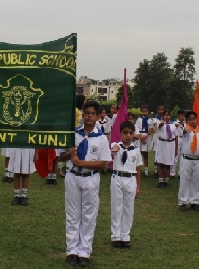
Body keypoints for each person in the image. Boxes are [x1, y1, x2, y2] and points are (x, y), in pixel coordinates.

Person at [61, 100, 111, 267]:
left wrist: (80, 162)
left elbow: (102, 163)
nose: (89, 116)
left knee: (88, 215)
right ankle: (72, 250)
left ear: (97, 116)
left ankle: (84, 251)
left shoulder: (101, 138)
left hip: (91, 177)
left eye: (93, 113)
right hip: (73, 176)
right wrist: (70, 153)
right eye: (87, 113)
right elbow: (60, 157)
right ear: (82, 114)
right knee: (72, 213)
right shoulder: (73, 134)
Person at [109, 120, 142, 248]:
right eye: (125, 133)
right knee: (117, 207)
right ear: (120, 134)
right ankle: (116, 235)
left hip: (130, 179)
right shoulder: (116, 145)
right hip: (117, 177)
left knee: (129, 208)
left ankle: (125, 235)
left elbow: (138, 169)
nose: (128, 135)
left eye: (130, 133)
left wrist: (138, 186)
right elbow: (113, 149)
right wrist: (115, 148)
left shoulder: (136, 150)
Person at [177, 111, 199, 211]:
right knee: (184, 180)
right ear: (187, 120)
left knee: (196, 182)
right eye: (190, 119)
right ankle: (183, 202)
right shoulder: (185, 130)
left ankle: (195, 201)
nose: (192, 121)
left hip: (198, 160)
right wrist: (185, 129)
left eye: (194, 118)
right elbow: (183, 131)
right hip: (187, 159)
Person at [155, 110, 177, 188]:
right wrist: (162, 123)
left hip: (170, 144)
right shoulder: (159, 123)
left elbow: (176, 136)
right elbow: (158, 127)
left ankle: (166, 181)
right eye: (165, 115)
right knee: (161, 163)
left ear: (170, 116)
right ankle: (161, 181)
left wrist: (176, 149)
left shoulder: (173, 125)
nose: (166, 116)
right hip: (162, 144)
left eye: (168, 115)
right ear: (162, 116)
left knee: (168, 164)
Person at [134, 106, 154, 177]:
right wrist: (141, 137)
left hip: (147, 136)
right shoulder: (139, 119)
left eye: (146, 111)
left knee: (145, 154)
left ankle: (146, 170)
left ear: (148, 112)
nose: (144, 113)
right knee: (138, 153)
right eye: (143, 111)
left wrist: (146, 136)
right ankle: (137, 168)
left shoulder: (150, 120)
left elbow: (151, 129)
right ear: (141, 112)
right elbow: (136, 128)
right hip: (140, 136)